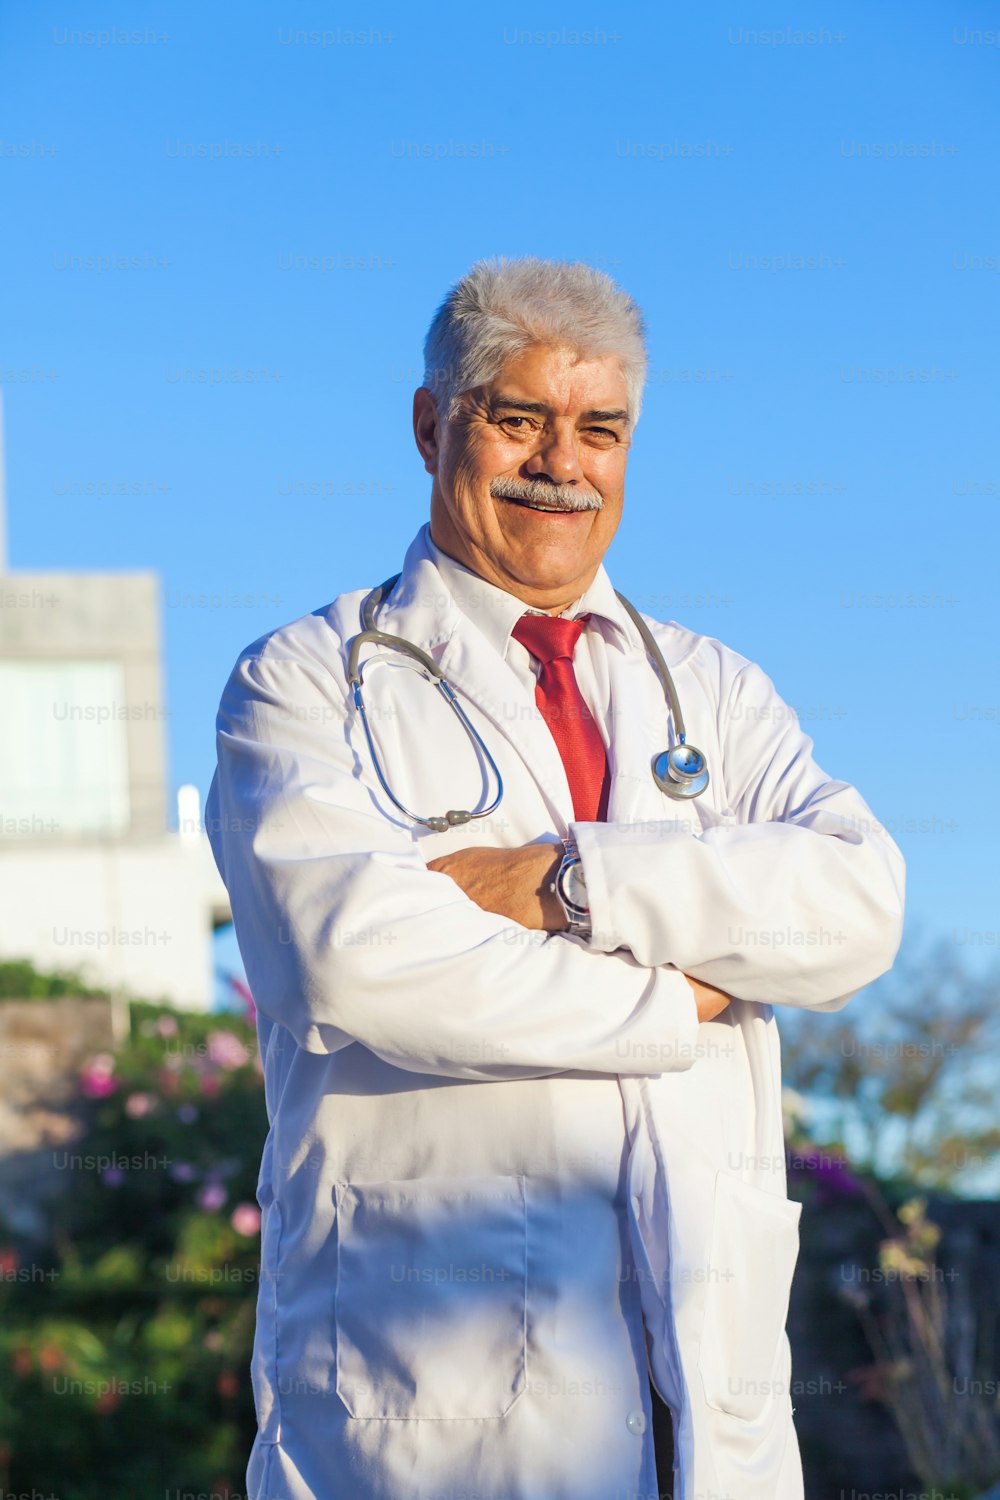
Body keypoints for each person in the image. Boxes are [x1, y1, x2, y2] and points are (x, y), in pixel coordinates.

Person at [206, 256, 905, 1500]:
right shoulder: (305, 681)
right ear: (432, 426)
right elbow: (354, 962)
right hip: (425, 1415)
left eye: (600, 429)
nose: (560, 463)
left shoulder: (716, 689)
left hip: (704, 1412)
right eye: (516, 417)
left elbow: (855, 907)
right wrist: (687, 995)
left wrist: (571, 884)